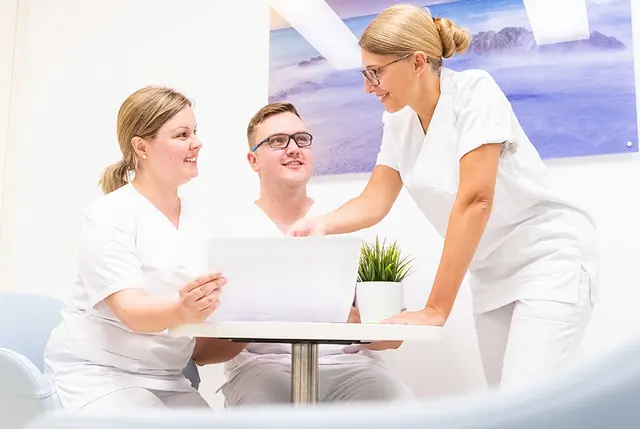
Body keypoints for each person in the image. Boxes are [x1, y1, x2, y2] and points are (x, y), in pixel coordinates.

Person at [287, 4, 599, 389]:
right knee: (507, 406)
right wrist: (321, 224)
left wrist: (436, 308)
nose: (368, 87)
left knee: (529, 402)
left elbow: (476, 200)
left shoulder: (474, 91)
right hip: (490, 273)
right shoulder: (398, 120)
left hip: (548, 260)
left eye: (376, 72)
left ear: (418, 62)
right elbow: (375, 200)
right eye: (365, 73)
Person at [192, 102, 414, 405]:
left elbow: (393, 338)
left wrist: (355, 323)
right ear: (253, 160)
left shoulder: (345, 222)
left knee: (397, 407)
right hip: (263, 370)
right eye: (277, 141)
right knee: (263, 414)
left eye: (301, 139)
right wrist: (249, 320)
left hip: (349, 367)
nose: (294, 148)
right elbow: (202, 354)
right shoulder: (227, 235)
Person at [43, 86, 233, 411]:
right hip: (99, 375)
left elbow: (209, 334)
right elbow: (131, 310)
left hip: (167, 377)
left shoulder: (202, 222)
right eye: (182, 134)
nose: (197, 143)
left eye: (195, 132)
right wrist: (183, 309)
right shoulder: (108, 215)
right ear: (142, 147)